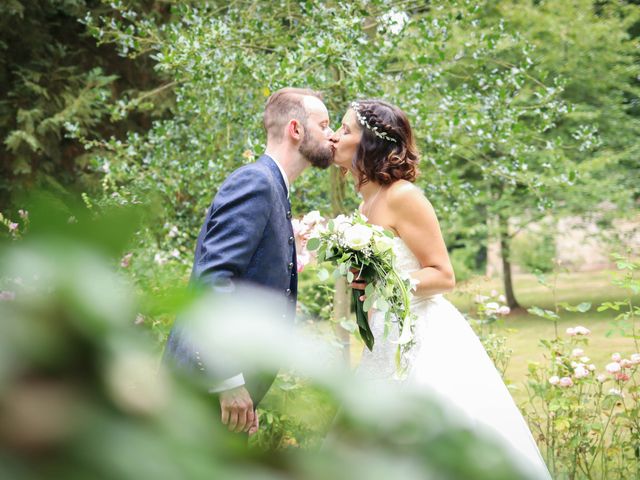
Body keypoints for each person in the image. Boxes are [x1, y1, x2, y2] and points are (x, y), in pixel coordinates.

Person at [329, 99, 551, 479]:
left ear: (370, 143)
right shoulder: (366, 203)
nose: (334, 136)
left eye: (345, 129)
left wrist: (387, 286)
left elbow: (443, 275)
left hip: (422, 339)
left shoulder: (403, 196)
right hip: (384, 341)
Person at [164, 87, 334, 437]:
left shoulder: (275, 188)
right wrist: (228, 380)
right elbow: (212, 281)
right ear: (296, 130)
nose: (331, 135)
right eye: (324, 124)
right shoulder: (255, 183)